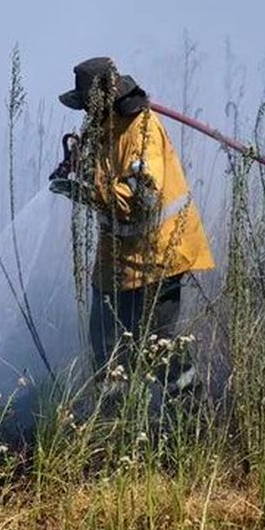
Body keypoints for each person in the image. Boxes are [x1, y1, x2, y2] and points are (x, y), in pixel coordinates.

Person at [49, 57, 215, 397]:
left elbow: (142, 199)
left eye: (88, 105)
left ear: (104, 100)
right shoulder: (103, 127)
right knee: (105, 345)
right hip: (117, 259)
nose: (84, 114)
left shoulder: (141, 131)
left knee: (157, 347)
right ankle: (116, 424)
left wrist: (86, 191)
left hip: (159, 255)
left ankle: (191, 418)